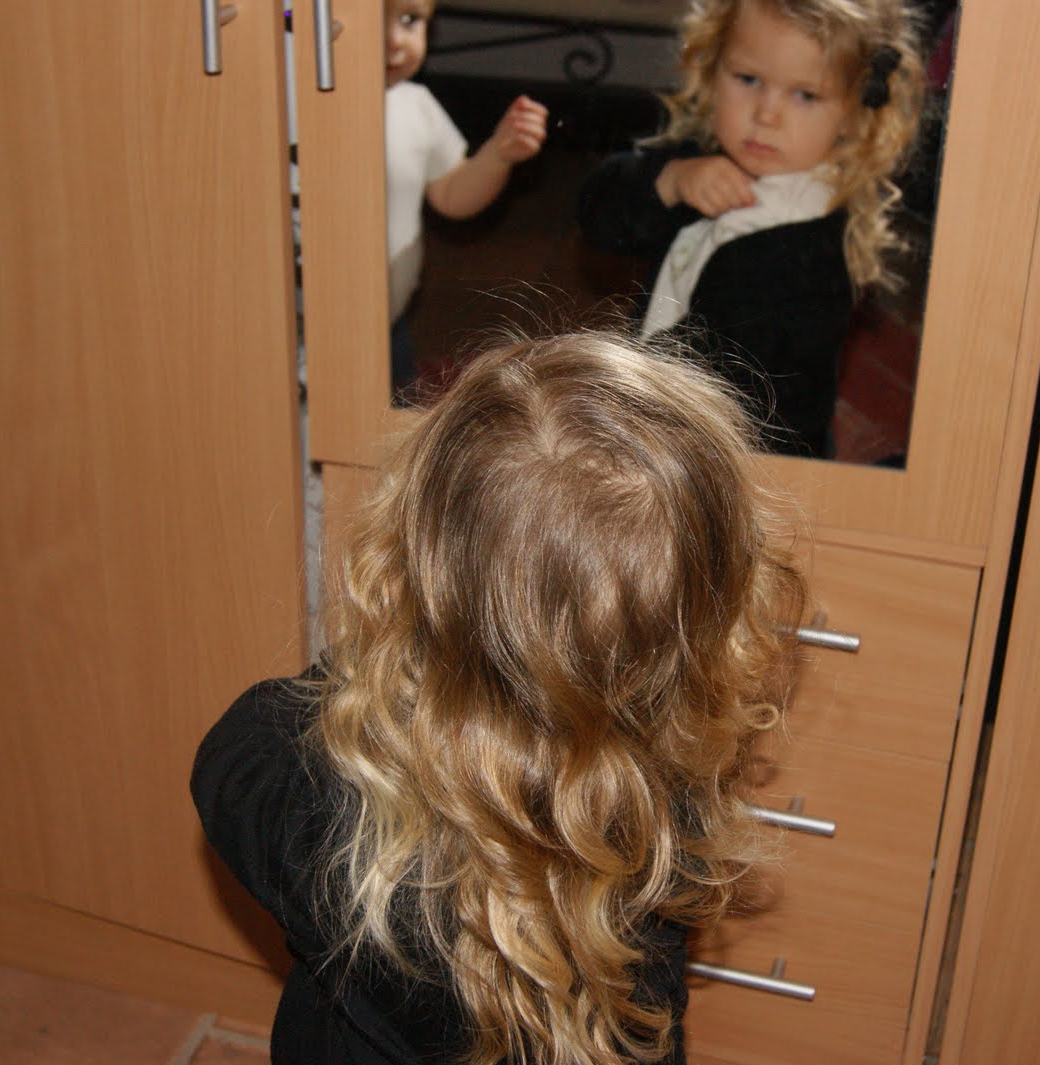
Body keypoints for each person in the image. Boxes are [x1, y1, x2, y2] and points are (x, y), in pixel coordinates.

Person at [192, 331, 806, 1064]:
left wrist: (402, 645)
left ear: (417, 564)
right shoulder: (662, 822)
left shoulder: (310, 798)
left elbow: (231, 756)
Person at [577, 0, 923, 458]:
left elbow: (767, 400)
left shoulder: (814, 251)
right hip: (660, 419)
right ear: (712, 69)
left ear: (854, 114)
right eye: (748, 79)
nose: (766, 115)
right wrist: (670, 181)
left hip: (749, 454)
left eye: (805, 95)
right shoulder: (698, 158)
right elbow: (595, 215)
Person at [385, 0, 550, 394]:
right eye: (372, 17)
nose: (394, 40)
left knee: (395, 412)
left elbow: (452, 194)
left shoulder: (415, 105)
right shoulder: (304, 104)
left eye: (409, 20)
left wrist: (496, 154)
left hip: (388, 320)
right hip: (303, 318)